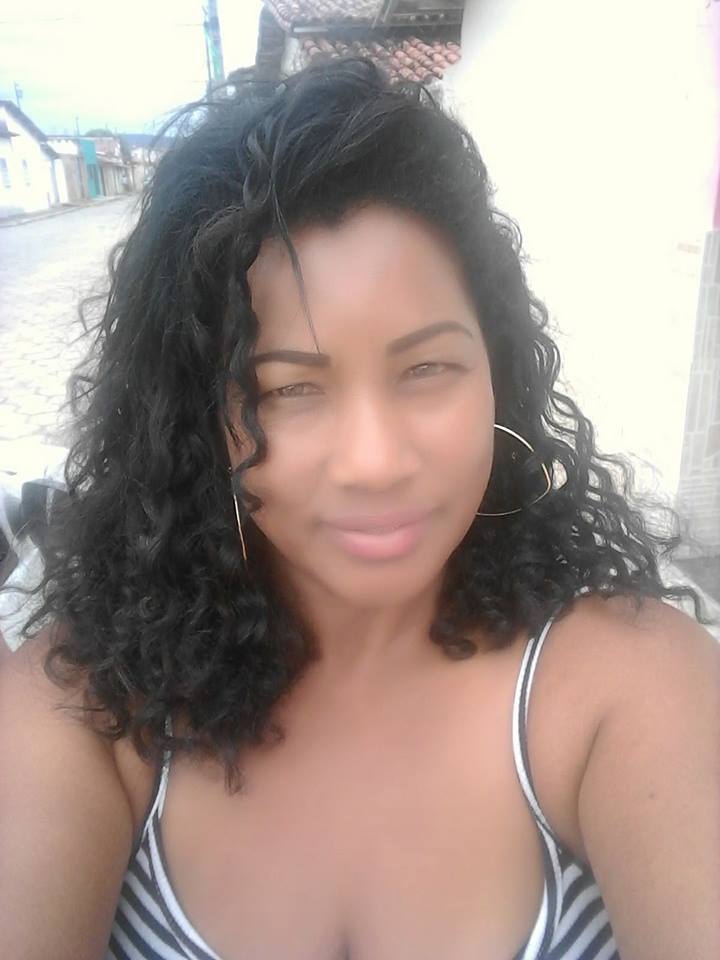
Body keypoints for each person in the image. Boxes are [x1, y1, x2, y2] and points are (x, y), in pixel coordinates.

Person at [1, 58, 718, 960]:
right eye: (288, 389)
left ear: (498, 377)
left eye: (428, 368)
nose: (376, 462)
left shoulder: (629, 686)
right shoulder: (87, 706)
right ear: (196, 422)